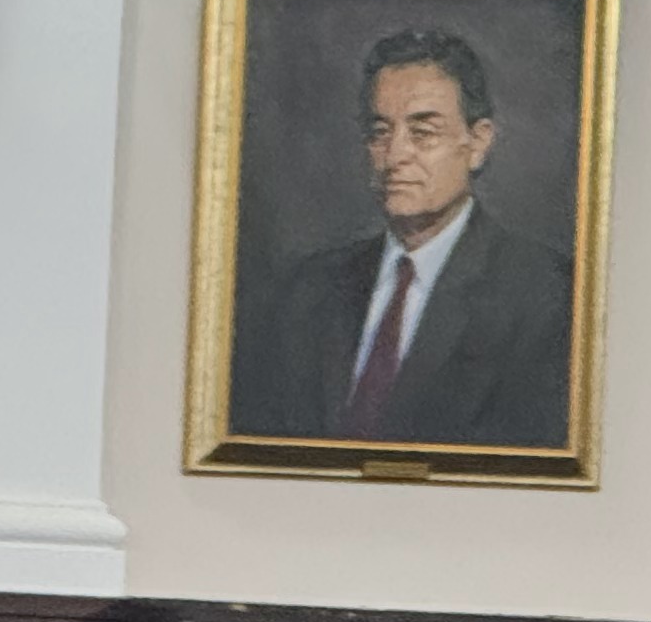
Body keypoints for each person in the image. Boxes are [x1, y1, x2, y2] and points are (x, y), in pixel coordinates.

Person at [232, 27, 576, 449]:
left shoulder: (548, 297)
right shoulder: (309, 290)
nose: (394, 156)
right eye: (381, 132)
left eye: (423, 133)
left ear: (477, 143)